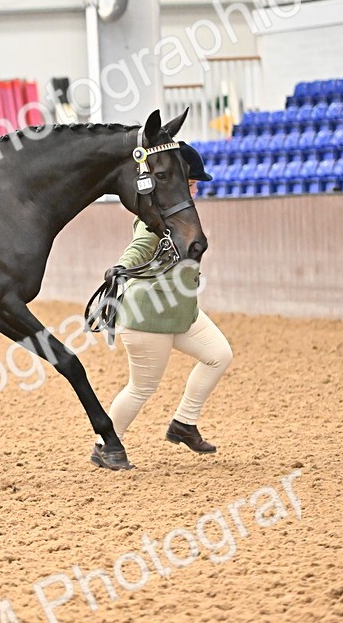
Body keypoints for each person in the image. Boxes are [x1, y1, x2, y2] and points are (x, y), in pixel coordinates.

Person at [102, 142, 232, 455]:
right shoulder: (156, 219)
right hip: (148, 316)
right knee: (142, 387)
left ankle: (184, 424)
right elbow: (139, 247)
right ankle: (104, 446)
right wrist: (122, 267)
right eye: (191, 183)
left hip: (181, 311)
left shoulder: (183, 217)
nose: (196, 189)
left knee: (219, 354)